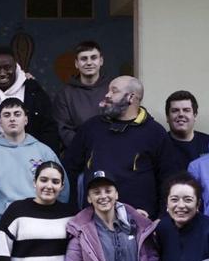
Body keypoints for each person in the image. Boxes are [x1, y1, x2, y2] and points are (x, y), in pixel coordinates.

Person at [64, 75, 175, 217]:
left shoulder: (155, 133)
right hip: (94, 222)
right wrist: (74, 212)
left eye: (114, 91)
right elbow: (69, 170)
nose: (107, 95)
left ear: (131, 97)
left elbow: (168, 180)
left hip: (140, 223)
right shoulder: (91, 128)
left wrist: (161, 219)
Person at [0, 98, 67, 229]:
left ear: (26, 119)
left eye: (17, 114)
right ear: (0, 122)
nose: (12, 119)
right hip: (2, 223)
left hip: (40, 221)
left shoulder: (44, 152)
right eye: (7, 115)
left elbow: (62, 190)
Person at [0, 45, 59, 152]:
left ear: (16, 67)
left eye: (7, 67)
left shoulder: (33, 90)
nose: (2, 73)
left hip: (32, 155)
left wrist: (45, 159)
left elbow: (49, 128)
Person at [52, 40, 109, 149]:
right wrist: (86, 146)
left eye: (93, 58)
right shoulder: (65, 94)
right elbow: (63, 129)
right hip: (79, 154)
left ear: (101, 61)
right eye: (84, 59)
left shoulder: (112, 89)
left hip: (110, 151)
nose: (89, 63)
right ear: (76, 64)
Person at [163, 90, 209, 166]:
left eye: (186, 110)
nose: (181, 114)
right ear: (167, 117)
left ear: (195, 115)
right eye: (175, 111)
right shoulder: (159, 146)